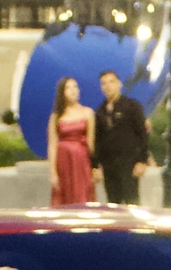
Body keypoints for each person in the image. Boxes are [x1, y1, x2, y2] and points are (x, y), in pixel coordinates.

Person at [93, 68, 149, 205]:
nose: (108, 86)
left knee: (132, 203)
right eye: (104, 83)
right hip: (109, 166)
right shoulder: (100, 112)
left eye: (111, 82)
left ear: (119, 84)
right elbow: (97, 140)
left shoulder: (132, 106)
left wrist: (142, 161)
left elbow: (142, 134)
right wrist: (94, 166)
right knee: (113, 204)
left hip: (129, 163)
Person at [48, 75, 96, 205]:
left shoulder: (88, 112)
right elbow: (52, 145)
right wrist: (53, 172)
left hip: (82, 162)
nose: (73, 90)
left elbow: (91, 143)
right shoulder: (56, 115)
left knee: (83, 195)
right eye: (68, 88)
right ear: (62, 92)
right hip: (63, 162)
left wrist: (95, 166)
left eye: (75, 87)